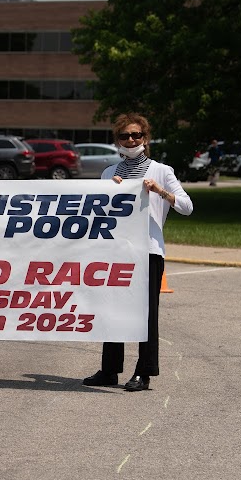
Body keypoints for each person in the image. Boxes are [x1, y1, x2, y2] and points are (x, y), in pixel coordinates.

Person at [83, 113, 193, 392]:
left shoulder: (161, 171)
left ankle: (144, 372)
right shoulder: (109, 174)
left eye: (136, 135)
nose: (130, 140)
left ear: (145, 138)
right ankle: (109, 370)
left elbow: (186, 206)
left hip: (148, 252)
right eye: (124, 136)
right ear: (117, 140)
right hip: (116, 252)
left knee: (146, 313)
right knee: (112, 311)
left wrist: (160, 192)